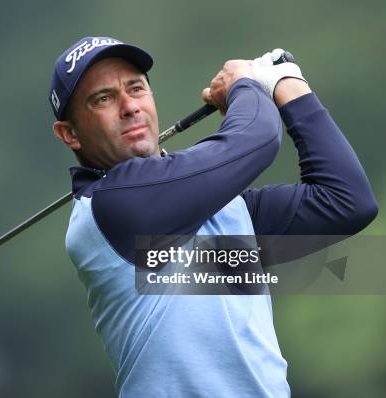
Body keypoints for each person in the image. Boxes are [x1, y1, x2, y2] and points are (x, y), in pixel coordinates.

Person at [48, 36, 378, 397]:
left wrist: (290, 85)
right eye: (104, 99)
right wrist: (246, 84)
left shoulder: (222, 211)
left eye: (136, 88)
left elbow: (346, 200)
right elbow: (255, 138)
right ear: (70, 134)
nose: (129, 106)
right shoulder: (111, 205)